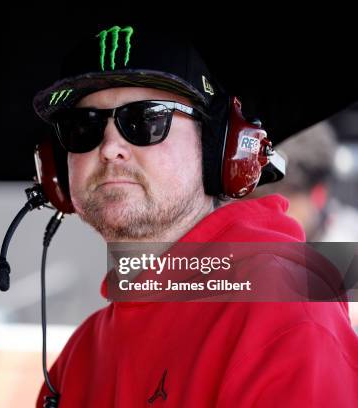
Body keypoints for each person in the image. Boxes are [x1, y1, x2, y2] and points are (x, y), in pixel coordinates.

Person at [31, 25, 358, 407]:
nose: (109, 148)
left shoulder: (279, 312)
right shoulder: (77, 358)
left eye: (146, 120)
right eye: (82, 127)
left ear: (216, 149)